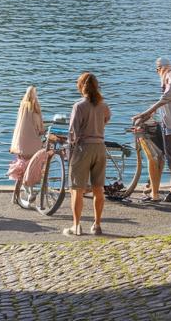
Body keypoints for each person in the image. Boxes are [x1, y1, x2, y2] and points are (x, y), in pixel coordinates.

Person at [133, 58, 171, 202]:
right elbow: (166, 101)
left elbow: (164, 99)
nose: (157, 73)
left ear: (160, 69)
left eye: (157, 70)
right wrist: (152, 113)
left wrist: (144, 114)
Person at [64, 71, 111, 236]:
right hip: (100, 147)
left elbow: (73, 133)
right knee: (98, 188)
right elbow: (107, 119)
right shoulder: (103, 105)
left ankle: (76, 226)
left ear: (81, 87)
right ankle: (97, 224)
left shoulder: (79, 106)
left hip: (83, 148)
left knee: (76, 188)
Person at [8, 86, 45, 205]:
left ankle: (15, 196)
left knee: (21, 169)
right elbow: (39, 128)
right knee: (31, 169)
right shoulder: (35, 111)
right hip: (33, 145)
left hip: (20, 144)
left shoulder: (22, 109)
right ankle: (30, 193)